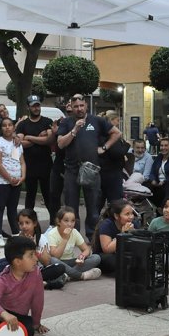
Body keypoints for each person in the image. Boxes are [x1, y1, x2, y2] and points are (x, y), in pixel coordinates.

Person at [57, 94, 121, 239]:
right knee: (71, 207)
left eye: (81, 106)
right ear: (71, 108)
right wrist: (74, 131)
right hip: (72, 169)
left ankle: (92, 237)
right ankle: (74, 237)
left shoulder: (97, 120)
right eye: (76, 106)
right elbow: (61, 144)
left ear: (86, 105)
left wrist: (104, 147)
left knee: (93, 207)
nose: (79, 109)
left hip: (91, 169)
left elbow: (116, 133)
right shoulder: (66, 122)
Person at [15, 95, 54, 216]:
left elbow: (49, 140)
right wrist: (39, 137)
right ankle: (28, 222)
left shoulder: (47, 121)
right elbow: (19, 143)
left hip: (46, 165)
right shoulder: (23, 124)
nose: (36, 108)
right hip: (29, 165)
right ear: (28, 107)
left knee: (48, 195)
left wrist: (30, 137)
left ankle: (53, 223)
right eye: (33, 106)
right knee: (30, 196)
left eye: (38, 105)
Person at [0, 117, 25, 242]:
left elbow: (21, 162)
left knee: (12, 208)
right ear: (1, 129)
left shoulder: (17, 143)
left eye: (10, 125)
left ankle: (16, 232)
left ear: (14, 127)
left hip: (16, 181)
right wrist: (9, 178)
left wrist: (23, 176)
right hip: (1, 181)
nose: (7, 127)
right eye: (4, 125)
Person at [45, 206, 102, 281]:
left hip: (72, 261)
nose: (70, 224)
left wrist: (82, 256)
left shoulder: (74, 232)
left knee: (96, 257)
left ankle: (67, 276)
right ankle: (81, 275)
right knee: (52, 260)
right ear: (58, 221)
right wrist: (65, 239)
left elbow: (86, 249)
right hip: (59, 263)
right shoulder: (52, 234)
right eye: (66, 221)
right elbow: (56, 256)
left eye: (73, 221)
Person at [16, 209, 67, 290]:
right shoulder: (17, 239)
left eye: (27, 223)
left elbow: (46, 262)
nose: (24, 226)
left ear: (34, 223)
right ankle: (45, 284)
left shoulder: (41, 239)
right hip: (22, 272)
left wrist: (34, 247)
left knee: (60, 267)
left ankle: (34, 282)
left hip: (38, 271)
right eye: (21, 223)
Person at [93, 199, 138, 274]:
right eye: (127, 214)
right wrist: (123, 234)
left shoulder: (133, 224)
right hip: (105, 256)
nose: (131, 217)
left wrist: (134, 233)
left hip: (123, 254)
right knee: (115, 260)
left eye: (132, 213)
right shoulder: (107, 224)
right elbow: (106, 249)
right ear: (116, 216)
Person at [98, 111, 128, 207]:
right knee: (116, 203)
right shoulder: (112, 136)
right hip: (112, 174)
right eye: (117, 120)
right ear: (111, 121)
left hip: (104, 172)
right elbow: (117, 152)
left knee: (99, 203)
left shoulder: (101, 134)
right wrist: (127, 145)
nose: (118, 123)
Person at [147, 138, 169, 207]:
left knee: (167, 187)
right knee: (145, 186)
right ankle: (158, 207)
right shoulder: (159, 157)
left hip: (168, 183)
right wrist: (152, 179)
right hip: (157, 183)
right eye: (161, 146)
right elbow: (152, 171)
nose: (163, 148)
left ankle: (164, 208)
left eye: (166, 145)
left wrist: (164, 181)